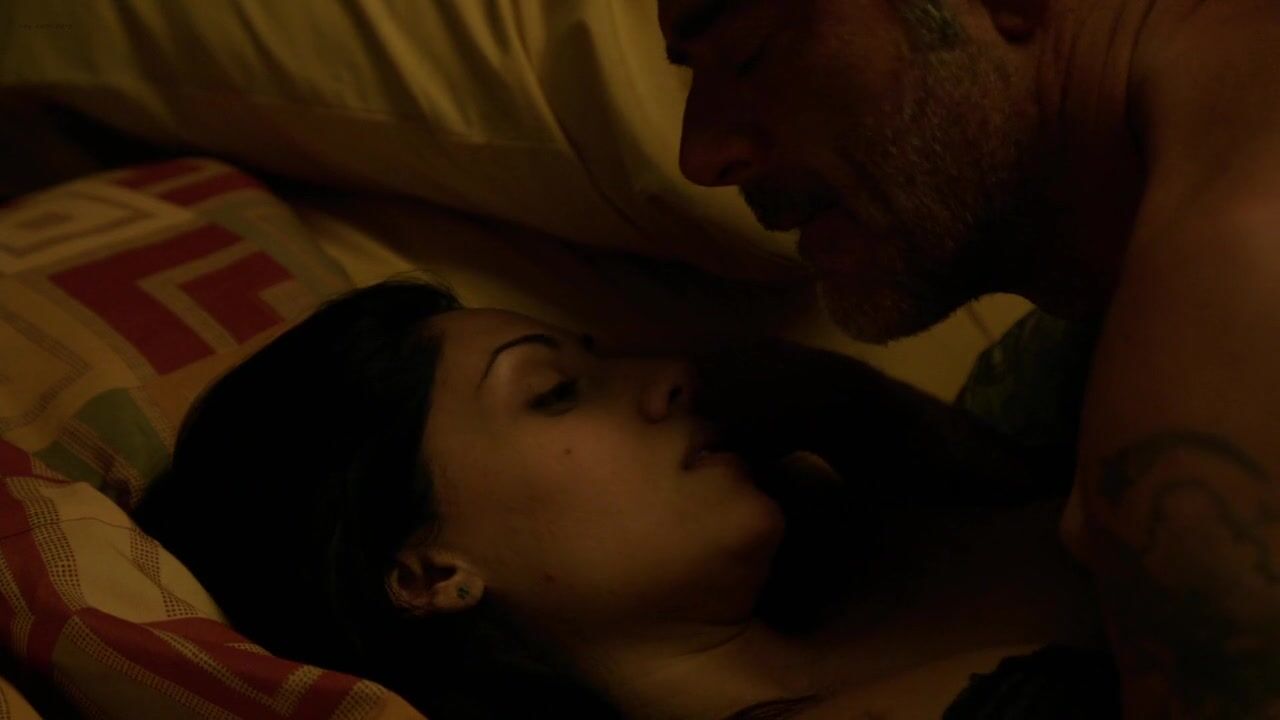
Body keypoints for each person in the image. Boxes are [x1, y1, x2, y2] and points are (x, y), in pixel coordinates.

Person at [656, 0, 1280, 714]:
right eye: (691, 76)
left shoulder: (1220, 320)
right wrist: (855, 415)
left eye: (750, 54)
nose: (700, 158)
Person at [135, 280, 1116, 719]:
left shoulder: (885, 526)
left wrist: (856, 409)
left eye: (601, 361)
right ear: (430, 571)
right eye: (556, 392)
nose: (671, 375)